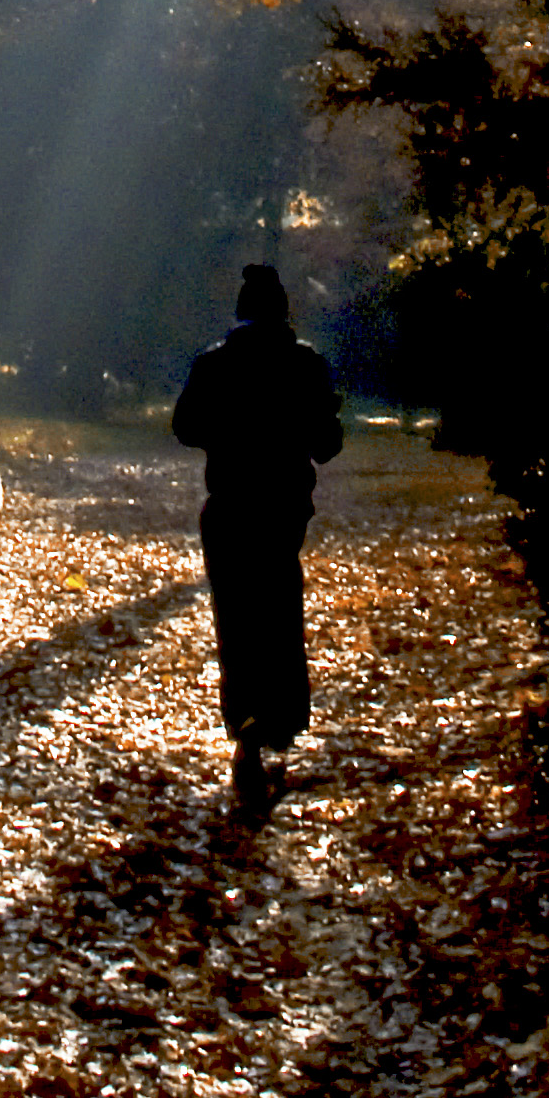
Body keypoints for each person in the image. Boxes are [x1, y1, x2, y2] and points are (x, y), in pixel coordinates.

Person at [172, 261, 344, 817]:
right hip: (283, 508)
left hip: (229, 506)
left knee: (236, 614)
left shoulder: (214, 364)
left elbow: (185, 428)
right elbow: (327, 445)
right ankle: (281, 719)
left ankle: (244, 721)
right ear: (283, 313)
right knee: (279, 608)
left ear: (241, 312)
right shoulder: (305, 364)